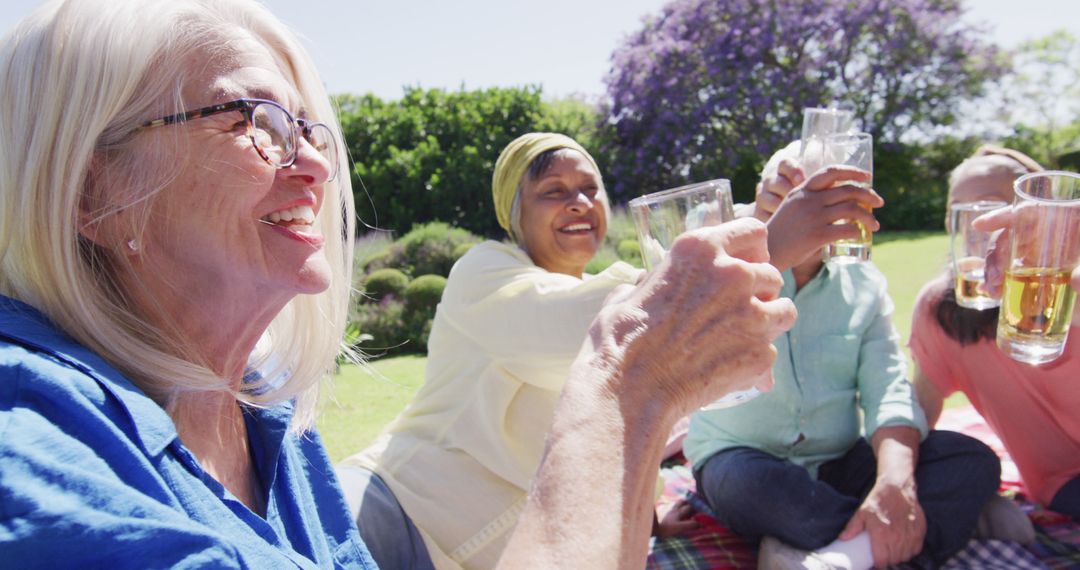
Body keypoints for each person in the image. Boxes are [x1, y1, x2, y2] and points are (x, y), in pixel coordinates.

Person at [0, 2, 798, 566]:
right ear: (90, 191)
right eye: (253, 121)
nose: (314, 164)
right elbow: (619, 320)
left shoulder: (262, 410)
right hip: (412, 524)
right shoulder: (33, 453)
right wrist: (634, 381)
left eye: (308, 128)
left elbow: (647, 299)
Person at [338, 132, 701, 569]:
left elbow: (623, 427)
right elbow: (583, 330)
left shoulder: (603, 294)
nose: (580, 202)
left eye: (591, 188)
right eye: (554, 191)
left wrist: (652, 509)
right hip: (398, 510)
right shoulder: (486, 273)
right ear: (515, 213)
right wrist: (699, 263)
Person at [684, 144, 1002, 569]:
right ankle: (917, 531)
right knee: (754, 487)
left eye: (825, 192)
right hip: (740, 457)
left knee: (971, 460)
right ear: (762, 198)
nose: (808, 204)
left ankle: (837, 554)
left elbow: (887, 387)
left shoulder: (862, 281)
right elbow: (686, 335)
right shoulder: (725, 265)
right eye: (791, 191)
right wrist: (767, 239)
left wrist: (895, 480)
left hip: (840, 461)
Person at [910, 146, 1080, 521]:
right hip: (1066, 481)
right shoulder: (941, 310)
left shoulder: (1068, 288)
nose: (974, 224)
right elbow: (920, 411)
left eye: (989, 207)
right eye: (958, 209)